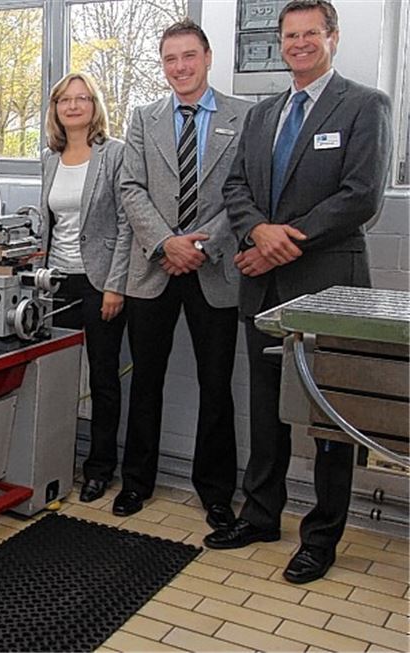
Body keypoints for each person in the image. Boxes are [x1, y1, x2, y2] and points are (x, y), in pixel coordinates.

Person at [208, 0, 393, 584]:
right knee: (267, 412)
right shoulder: (263, 115)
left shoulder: (365, 105)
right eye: (290, 35)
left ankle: (321, 537)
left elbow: (362, 195)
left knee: (329, 418)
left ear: (332, 38)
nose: (299, 44)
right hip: (264, 288)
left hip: (328, 286)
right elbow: (236, 185)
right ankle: (261, 514)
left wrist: (284, 240)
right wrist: (256, 232)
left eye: (311, 33)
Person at [116, 19, 251, 526]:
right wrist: (166, 243)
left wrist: (201, 245)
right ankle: (136, 483)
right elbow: (130, 187)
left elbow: (246, 189)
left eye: (188, 56)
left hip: (213, 269)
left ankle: (216, 492)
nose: (180, 67)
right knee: (145, 380)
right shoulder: (144, 118)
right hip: (153, 267)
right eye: (170, 59)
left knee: (216, 385)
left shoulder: (245, 116)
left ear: (208, 57)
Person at [39, 72, 131, 503]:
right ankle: (55, 462)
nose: (73, 107)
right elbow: (50, 224)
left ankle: (99, 468)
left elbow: (127, 222)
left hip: (100, 283)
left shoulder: (114, 155)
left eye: (82, 99)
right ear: (55, 109)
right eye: (64, 100)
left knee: (104, 377)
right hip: (56, 281)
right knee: (57, 377)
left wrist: (116, 285)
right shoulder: (50, 158)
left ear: (95, 106)